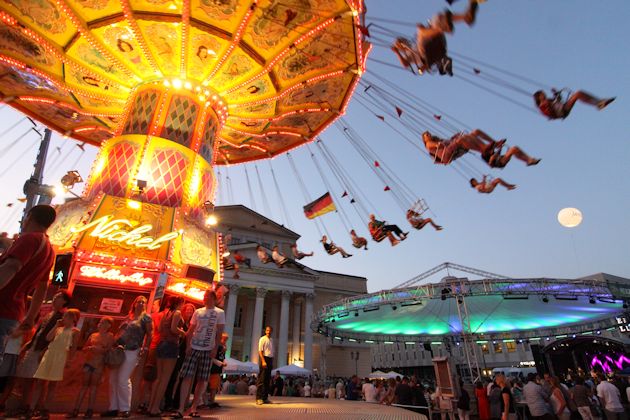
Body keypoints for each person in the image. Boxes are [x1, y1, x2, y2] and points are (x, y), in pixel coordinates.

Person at [0, 205, 56, 365]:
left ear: (29, 217)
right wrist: (30, 317)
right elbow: (42, 288)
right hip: (13, 313)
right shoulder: (49, 250)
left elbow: (11, 267)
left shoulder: (30, 239)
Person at [16, 291, 72, 415]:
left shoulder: (61, 317)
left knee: (37, 380)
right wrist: (29, 344)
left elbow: (56, 337)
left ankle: (32, 407)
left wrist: (44, 350)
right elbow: (40, 332)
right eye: (55, 296)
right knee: (28, 378)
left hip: (42, 351)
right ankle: (27, 405)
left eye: (58, 297)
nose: (54, 298)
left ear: (64, 301)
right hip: (35, 347)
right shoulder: (50, 314)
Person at [173, 290, 224, 418]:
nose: (204, 298)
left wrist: (215, 349)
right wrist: (188, 345)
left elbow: (219, 333)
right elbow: (191, 330)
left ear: (212, 298)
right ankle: (180, 408)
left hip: (208, 349)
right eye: (204, 297)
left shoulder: (219, 313)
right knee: (187, 376)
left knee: (202, 379)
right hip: (194, 347)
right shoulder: (198, 312)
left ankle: (194, 407)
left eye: (206, 297)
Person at [103, 296, 152, 418]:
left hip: (133, 349)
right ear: (134, 304)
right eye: (139, 302)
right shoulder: (127, 317)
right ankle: (113, 407)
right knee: (113, 379)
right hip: (119, 348)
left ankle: (125, 408)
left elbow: (150, 334)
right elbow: (119, 332)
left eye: (144, 302)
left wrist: (145, 348)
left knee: (123, 379)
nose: (141, 304)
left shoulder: (146, 318)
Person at [27, 309, 80, 420]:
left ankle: (45, 410)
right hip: (50, 354)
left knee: (52, 384)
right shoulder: (58, 329)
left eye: (66, 316)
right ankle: (31, 409)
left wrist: (70, 360)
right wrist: (56, 325)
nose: (63, 318)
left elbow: (73, 347)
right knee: (39, 382)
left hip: (61, 356)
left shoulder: (75, 331)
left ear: (72, 318)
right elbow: (48, 338)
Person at [68, 317, 114, 419]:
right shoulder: (93, 335)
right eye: (100, 322)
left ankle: (89, 410)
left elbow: (108, 350)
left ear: (108, 325)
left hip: (99, 364)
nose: (100, 324)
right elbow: (84, 348)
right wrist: (89, 348)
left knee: (94, 387)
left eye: (103, 323)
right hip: (89, 362)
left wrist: (99, 349)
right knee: (84, 386)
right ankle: (76, 409)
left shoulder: (110, 336)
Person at [147, 297, 186, 417]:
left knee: (158, 378)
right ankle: (155, 408)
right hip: (171, 345)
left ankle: (150, 406)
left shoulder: (166, 312)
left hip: (161, 344)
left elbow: (159, 328)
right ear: (180, 303)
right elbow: (174, 329)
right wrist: (183, 333)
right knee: (165, 378)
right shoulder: (177, 313)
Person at [163, 303, 195, 412]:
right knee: (173, 377)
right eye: (187, 310)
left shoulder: (192, 324)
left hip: (186, 352)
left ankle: (177, 402)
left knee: (182, 378)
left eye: (191, 310)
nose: (189, 312)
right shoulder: (180, 321)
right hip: (177, 350)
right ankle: (168, 402)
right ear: (183, 310)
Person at [533, 89, 615, 120]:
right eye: (542, 94)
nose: (544, 94)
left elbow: (558, 100)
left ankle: (598, 102)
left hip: (562, 107)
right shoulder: (542, 106)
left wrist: (556, 94)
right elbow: (550, 114)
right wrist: (548, 106)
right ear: (539, 97)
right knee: (577, 94)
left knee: (579, 94)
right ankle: (598, 103)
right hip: (561, 111)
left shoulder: (548, 100)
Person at [208, 332, 228, 408]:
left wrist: (223, 363)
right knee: (213, 386)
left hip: (218, 370)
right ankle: (211, 401)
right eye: (224, 339)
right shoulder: (216, 347)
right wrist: (221, 363)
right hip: (213, 369)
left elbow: (223, 358)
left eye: (226, 340)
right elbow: (212, 358)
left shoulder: (222, 348)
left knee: (215, 386)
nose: (225, 341)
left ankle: (212, 400)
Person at [256, 326, 274, 405]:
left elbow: (271, 351)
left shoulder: (271, 340)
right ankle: (258, 398)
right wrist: (263, 361)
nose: (268, 332)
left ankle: (265, 398)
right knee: (261, 379)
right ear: (265, 331)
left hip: (270, 359)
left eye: (270, 330)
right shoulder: (262, 339)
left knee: (267, 380)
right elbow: (260, 351)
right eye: (267, 330)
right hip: (264, 358)